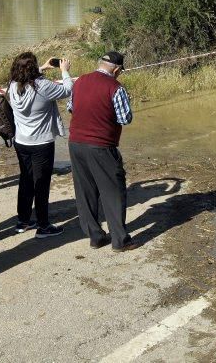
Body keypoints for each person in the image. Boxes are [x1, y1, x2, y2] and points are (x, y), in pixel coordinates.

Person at [68, 51, 137, 252]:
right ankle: (120, 241)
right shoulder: (116, 87)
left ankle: (95, 237)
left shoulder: (80, 81)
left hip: (76, 144)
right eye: (119, 72)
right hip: (101, 146)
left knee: (85, 192)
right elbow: (125, 118)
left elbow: (71, 108)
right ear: (116, 69)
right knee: (113, 192)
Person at [8, 52, 73, 238]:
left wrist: (42, 68)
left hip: (21, 141)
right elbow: (68, 90)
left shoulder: (12, 85)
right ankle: (43, 226)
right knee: (42, 184)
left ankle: (23, 220)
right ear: (32, 69)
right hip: (41, 143)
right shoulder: (43, 86)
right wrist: (64, 71)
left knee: (26, 180)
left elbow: (23, 76)